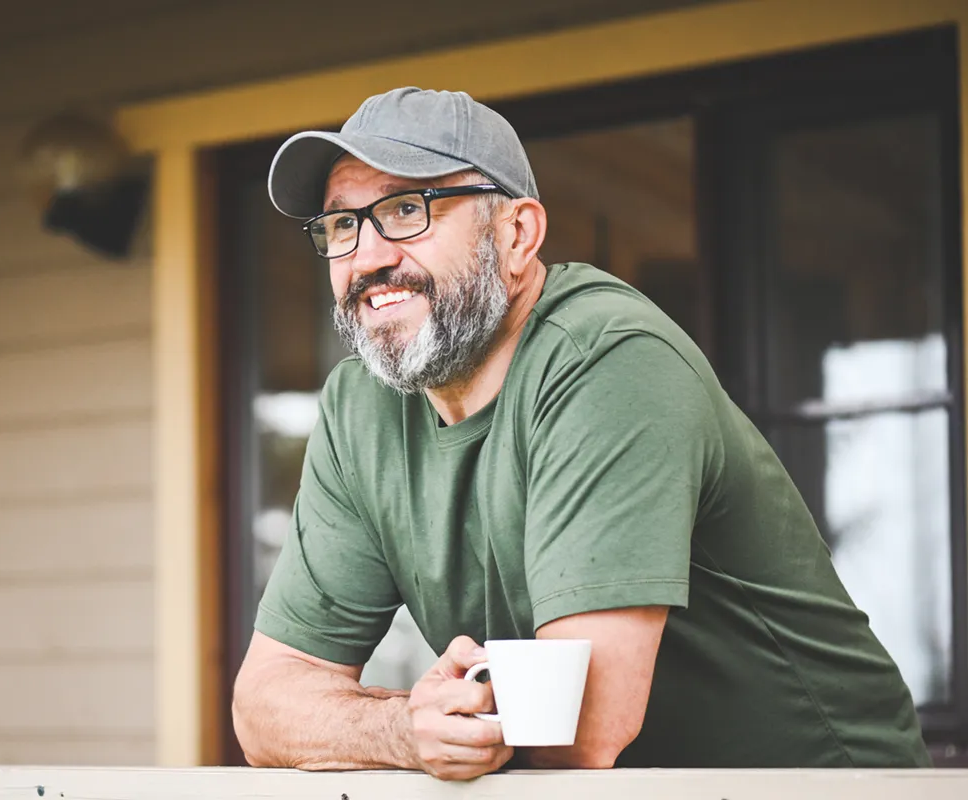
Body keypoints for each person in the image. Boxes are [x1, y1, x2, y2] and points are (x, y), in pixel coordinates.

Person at [231, 86, 931, 779]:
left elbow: (581, 729)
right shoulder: (361, 406)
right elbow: (263, 707)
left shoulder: (605, 357)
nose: (366, 256)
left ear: (516, 235)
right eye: (340, 225)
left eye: (406, 210)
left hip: (822, 786)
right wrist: (399, 729)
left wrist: (410, 723)